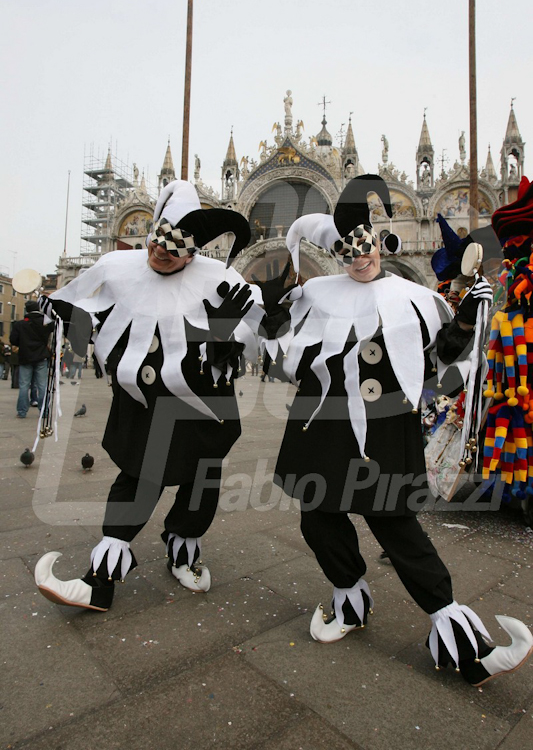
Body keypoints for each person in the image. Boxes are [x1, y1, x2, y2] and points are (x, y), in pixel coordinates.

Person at [256, 174, 532, 687]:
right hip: (323, 424)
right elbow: (277, 342)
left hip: (385, 428)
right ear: (338, 254)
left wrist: (467, 321)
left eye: (365, 247)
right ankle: (350, 600)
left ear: (380, 244)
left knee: (395, 526)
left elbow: (442, 357)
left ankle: (458, 635)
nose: (359, 259)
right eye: (347, 252)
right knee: (317, 522)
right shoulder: (315, 292)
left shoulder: (413, 296)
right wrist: (272, 302)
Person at [33, 180, 261, 612]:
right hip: (143, 399)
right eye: (158, 239)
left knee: (201, 478)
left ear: (193, 254)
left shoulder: (219, 279)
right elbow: (85, 314)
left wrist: (232, 336)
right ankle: (100, 580)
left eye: (175, 248)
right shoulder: (117, 266)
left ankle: (184, 548)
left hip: (204, 401)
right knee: (139, 474)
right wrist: (60, 313)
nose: (161, 251)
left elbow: (269, 328)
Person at [10, 301, 53, 418]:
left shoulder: (20, 324)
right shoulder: (45, 322)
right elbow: (54, 329)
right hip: (41, 356)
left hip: (25, 356)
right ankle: (44, 411)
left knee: (24, 385)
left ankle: (22, 411)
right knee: (42, 385)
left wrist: (23, 343)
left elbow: (13, 340)